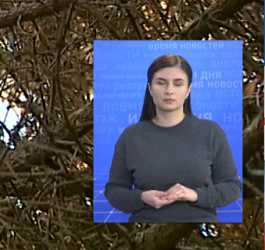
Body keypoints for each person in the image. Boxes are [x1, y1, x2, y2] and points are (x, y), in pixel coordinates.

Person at [103, 54, 241, 223]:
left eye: (178, 84)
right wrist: (143, 198)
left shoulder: (211, 132)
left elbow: (232, 187)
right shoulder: (131, 136)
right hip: (145, 229)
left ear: (188, 90)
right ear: (150, 88)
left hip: (200, 229)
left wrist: (195, 195)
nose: (169, 90)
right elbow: (114, 190)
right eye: (161, 83)